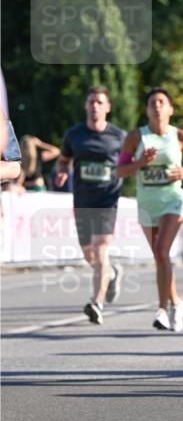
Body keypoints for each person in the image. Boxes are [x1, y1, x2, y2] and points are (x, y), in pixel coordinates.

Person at [117, 88, 183, 331]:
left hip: (173, 199)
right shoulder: (135, 137)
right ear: (146, 110)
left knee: (162, 250)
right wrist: (140, 163)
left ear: (170, 109)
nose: (157, 106)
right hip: (147, 202)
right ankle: (177, 303)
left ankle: (162, 310)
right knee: (161, 258)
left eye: (162, 102)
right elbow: (120, 171)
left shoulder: (181, 136)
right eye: (152, 102)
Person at [55, 87, 126, 325]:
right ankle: (112, 273)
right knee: (89, 253)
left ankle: (97, 303)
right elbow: (63, 160)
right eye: (91, 102)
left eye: (99, 102)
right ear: (86, 106)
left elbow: (129, 162)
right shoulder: (74, 135)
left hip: (108, 199)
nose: (95, 106)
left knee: (100, 248)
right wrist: (62, 172)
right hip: (82, 201)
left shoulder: (119, 136)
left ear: (107, 108)